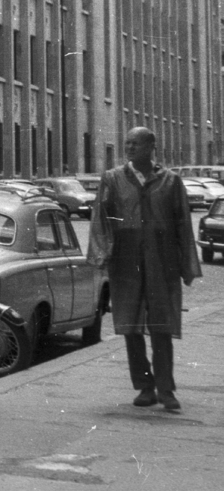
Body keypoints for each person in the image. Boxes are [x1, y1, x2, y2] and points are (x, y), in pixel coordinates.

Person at [88, 126, 201, 411]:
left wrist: (187, 265)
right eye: (126, 143)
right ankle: (144, 386)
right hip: (126, 262)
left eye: (135, 143)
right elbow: (100, 219)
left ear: (151, 146)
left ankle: (166, 389)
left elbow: (183, 225)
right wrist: (102, 254)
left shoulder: (170, 181)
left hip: (162, 262)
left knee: (162, 324)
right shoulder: (112, 179)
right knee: (129, 325)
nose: (129, 148)